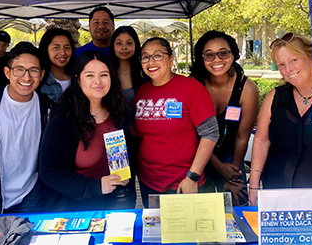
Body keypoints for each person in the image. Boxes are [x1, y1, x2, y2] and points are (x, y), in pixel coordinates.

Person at [0, 42, 53, 214]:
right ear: (7, 72)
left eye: (33, 71)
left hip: (30, 195)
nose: (26, 77)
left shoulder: (47, 108)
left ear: (42, 74)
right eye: (19, 70)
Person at [40, 51, 131, 211]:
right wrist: (96, 186)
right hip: (75, 208)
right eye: (89, 75)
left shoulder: (119, 111)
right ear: (78, 80)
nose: (98, 81)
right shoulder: (63, 117)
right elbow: (50, 171)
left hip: (115, 205)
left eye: (104, 75)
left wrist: (124, 174)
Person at [134, 37, 219, 208]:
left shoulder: (192, 88)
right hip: (148, 182)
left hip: (182, 183)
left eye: (157, 55)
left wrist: (192, 176)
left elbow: (210, 134)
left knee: (184, 233)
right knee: (156, 233)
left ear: (171, 59)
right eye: (145, 57)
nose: (151, 61)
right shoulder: (143, 91)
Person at [249, 33, 312, 206]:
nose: (288, 69)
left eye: (293, 60)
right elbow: (261, 141)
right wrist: (253, 185)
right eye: (281, 65)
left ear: (311, 56)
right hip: (278, 194)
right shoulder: (275, 97)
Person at [191, 30, 259, 206]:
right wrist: (218, 167)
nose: (217, 60)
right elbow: (193, 134)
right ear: (202, 58)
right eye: (209, 55)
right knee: (201, 211)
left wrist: (233, 175)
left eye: (223, 53)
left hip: (231, 154)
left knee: (236, 205)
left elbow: (242, 137)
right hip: (199, 154)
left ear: (233, 54)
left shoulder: (247, 89)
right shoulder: (194, 84)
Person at [109, 26, 148, 208]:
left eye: (129, 43)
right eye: (119, 43)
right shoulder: (107, 72)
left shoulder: (145, 72)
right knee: (124, 191)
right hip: (116, 142)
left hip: (144, 138)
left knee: (149, 183)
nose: (124, 47)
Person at [38, 28, 76, 102]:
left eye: (67, 48)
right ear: (46, 49)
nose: (63, 53)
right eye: (56, 48)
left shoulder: (79, 78)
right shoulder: (39, 81)